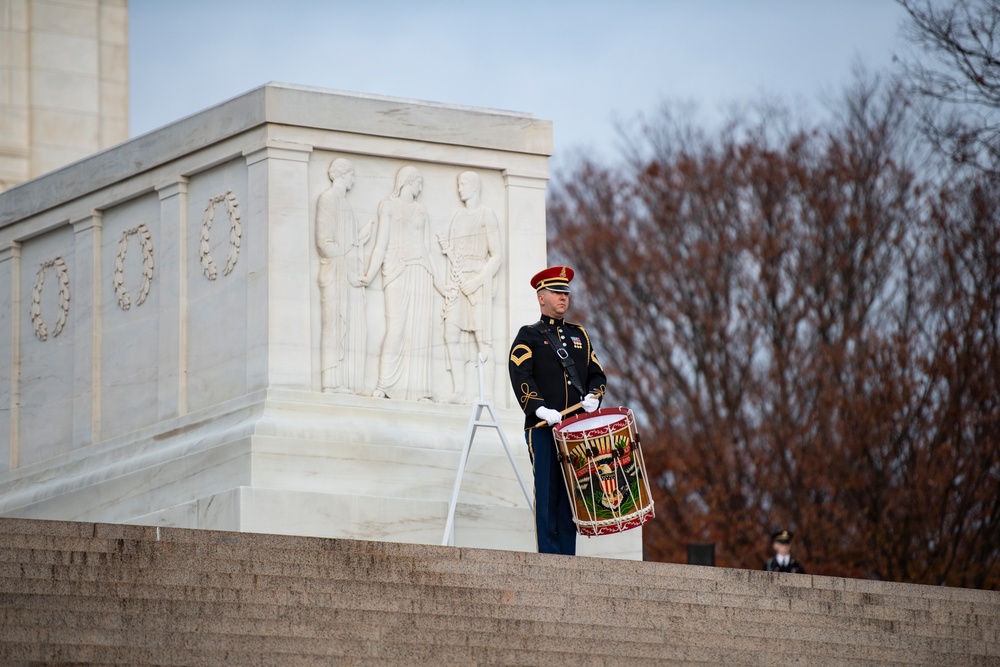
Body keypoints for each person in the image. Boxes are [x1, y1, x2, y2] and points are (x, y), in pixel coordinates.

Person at [508, 266, 607, 555]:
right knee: (548, 492)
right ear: (541, 298)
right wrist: (538, 408)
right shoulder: (529, 336)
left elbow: (596, 373)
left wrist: (594, 396)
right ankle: (549, 557)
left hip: (575, 430)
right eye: (557, 293)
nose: (564, 298)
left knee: (572, 494)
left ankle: (567, 556)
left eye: (566, 293)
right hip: (544, 428)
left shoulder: (580, 336)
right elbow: (520, 373)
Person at [360, 165, 444, 401]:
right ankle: (384, 384)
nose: (421, 187)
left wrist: (440, 284)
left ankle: (419, 390)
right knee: (396, 328)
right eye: (419, 182)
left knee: (420, 332)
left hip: (420, 271)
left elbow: (427, 249)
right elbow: (381, 244)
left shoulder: (421, 211)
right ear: (408, 181)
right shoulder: (389, 205)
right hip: (396, 269)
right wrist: (369, 275)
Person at [438, 171, 503, 402]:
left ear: (474, 187)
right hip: (458, 281)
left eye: (463, 184)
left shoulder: (487, 215)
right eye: (458, 184)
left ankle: (489, 395)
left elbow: (496, 256)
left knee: (483, 340)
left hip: (478, 283)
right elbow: (456, 253)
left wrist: (477, 281)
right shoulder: (457, 216)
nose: (459, 189)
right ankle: (459, 390)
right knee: (450, 334)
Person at [315, 158, 372, 394]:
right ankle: (331, 381)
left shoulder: (345, 203)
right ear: (342, 174)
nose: (354, 180)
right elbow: (324, 242)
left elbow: (347, 243)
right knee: (334, 326)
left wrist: (360, 239)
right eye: (352, 175)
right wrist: (346, 269)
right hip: (335, 274)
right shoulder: (328, 199)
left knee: (349, 327)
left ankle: (346, 381)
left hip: (346, 274)